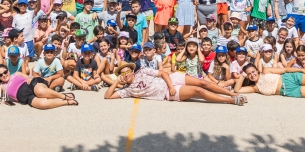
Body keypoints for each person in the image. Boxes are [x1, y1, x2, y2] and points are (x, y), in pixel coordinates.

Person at [105, 62, 247, 105]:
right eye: (123, 73)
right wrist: (116, 82)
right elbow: (107, 96)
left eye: (128, 71)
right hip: (167, 93)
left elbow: (162, 73)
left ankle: (232, 92)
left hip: (171, 81)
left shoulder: (141, 71)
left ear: (132, 70)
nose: (127, 74)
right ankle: (230, 100)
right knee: (199, 91)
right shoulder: (128, 90)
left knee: (201, 82)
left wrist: (171, 85)